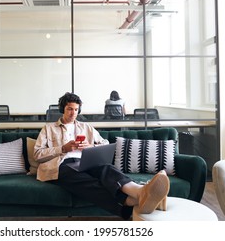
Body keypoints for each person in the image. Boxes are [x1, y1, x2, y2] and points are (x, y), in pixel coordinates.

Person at [34, 92, 169, 220]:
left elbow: (104, 143)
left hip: (85, 160)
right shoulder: (48, 128)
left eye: (76, 110)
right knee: (88, 182)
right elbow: (37, 154)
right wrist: (63, 148)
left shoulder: (86, 127)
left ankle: (139, 192)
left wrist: (90, 147)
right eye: (70, 109)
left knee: (106, 168)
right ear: (62, 109)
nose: (73, 113)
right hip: (61, 165)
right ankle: (131, 200)